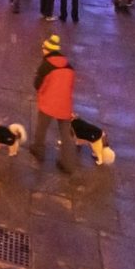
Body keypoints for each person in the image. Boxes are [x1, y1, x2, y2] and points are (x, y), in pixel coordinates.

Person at [30, 37, 78, 172]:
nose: (42, 51)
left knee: (41, 128)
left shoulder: (46, 65)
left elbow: (37, 84)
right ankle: (68, 164)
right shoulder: (69, 66)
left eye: (43, 49)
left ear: (48, 50)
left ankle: (38, 151)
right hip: (64, 104)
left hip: (49, 103)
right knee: (65, 135)